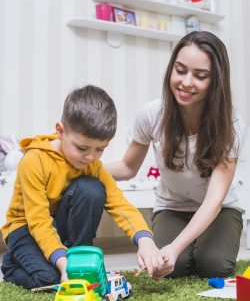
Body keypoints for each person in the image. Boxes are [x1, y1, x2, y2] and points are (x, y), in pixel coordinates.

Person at [106, 31, 246, 280]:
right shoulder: (151, 114)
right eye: (180, 70)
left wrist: (175, 246)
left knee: (213, 265)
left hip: (221, 209)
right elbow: (128, 167)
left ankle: (199, 246)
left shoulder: (231, 124)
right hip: (172, 208)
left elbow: (214, 200)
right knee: (174, 267)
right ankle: (188, 247)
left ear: (215, 81)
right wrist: (84, 166)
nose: (186, 82)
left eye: (200, 76)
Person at [1, 85, 165, 289]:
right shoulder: (34, 161)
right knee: (49, 278)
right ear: (60, 131)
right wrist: (62, 264)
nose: (91, 157)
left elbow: (119, 204)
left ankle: (79, 259)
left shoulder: (92, 166)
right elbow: (39, 221)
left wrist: (145, 240)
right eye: (82, 148)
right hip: (25, 229)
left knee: (92, 188)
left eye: (100, 150)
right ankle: (11, 264)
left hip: (56, 225)